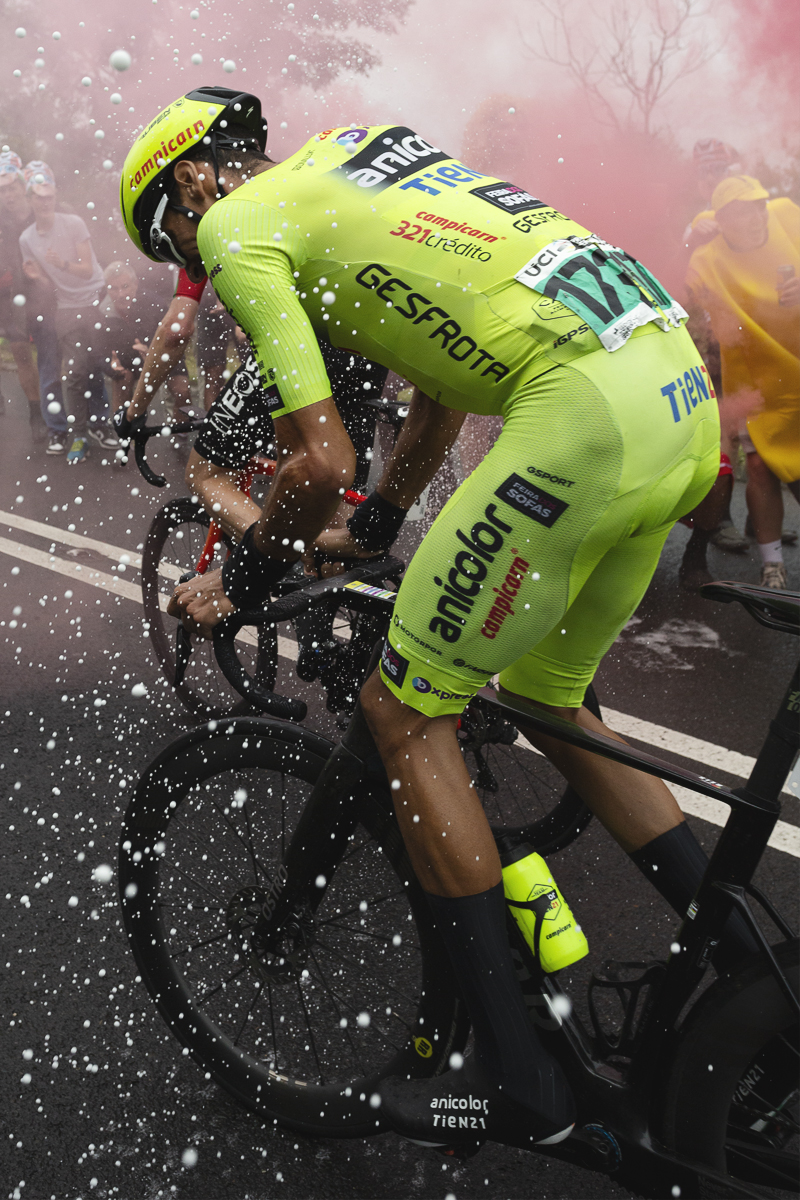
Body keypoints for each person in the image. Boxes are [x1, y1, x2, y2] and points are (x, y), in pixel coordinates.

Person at [119, 88, 755, 1152]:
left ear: (191, 179)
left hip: (581, 415)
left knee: (406, 713)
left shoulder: (236, 227)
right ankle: (734, 953)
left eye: (169, 233)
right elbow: (437, 399)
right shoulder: (355, 154)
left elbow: (317, 460)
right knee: (550, 700)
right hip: (672, 396)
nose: (188, 252)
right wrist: (379, 528)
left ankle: (515, 1081)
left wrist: (238, 579)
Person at [686, 175, 800, 589]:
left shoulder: (787, 215)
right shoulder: (708, 256)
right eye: (738, 212)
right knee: (759, 467)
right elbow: (680, 291)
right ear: (721, 221)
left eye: (757, 206)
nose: (754, 219)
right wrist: (689, 236)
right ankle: (772, 564)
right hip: (756, 381)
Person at [19, 161, 109, 464]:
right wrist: (36, 277)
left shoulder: (73, 223)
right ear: (30, 199)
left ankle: (100, 424)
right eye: (39, 197)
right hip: (67, 308)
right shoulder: (27, 239)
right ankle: (80, 433)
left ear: (55, 197)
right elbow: (49, 283)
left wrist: (61, 265)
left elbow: (85, 270)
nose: (45, 203)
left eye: (49, 197)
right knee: (73, 372)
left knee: (97, 365)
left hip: (95, 298)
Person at [0, 152, 69, 451]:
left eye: (12, 187)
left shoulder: (38, 211)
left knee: (49, 354)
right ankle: (34, 414)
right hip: (8, 295)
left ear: (22, 187)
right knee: (19, 352)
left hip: (43, 292)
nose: (7, 194)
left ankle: (53, 413)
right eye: (1, 189)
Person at [99, 260, 191, 421]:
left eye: (125, 286)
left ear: (135, 284)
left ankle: (179, 431)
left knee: (183, 389)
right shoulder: (101, 312)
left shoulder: (155, 304)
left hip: (161, 356)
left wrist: (155, 353)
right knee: (121, 378)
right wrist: (111, 366)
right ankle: (125, 434)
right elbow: (97, 352)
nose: (120, 294)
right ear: (107, 288)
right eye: (113, 288)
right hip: (127, 362)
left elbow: (175, 343)